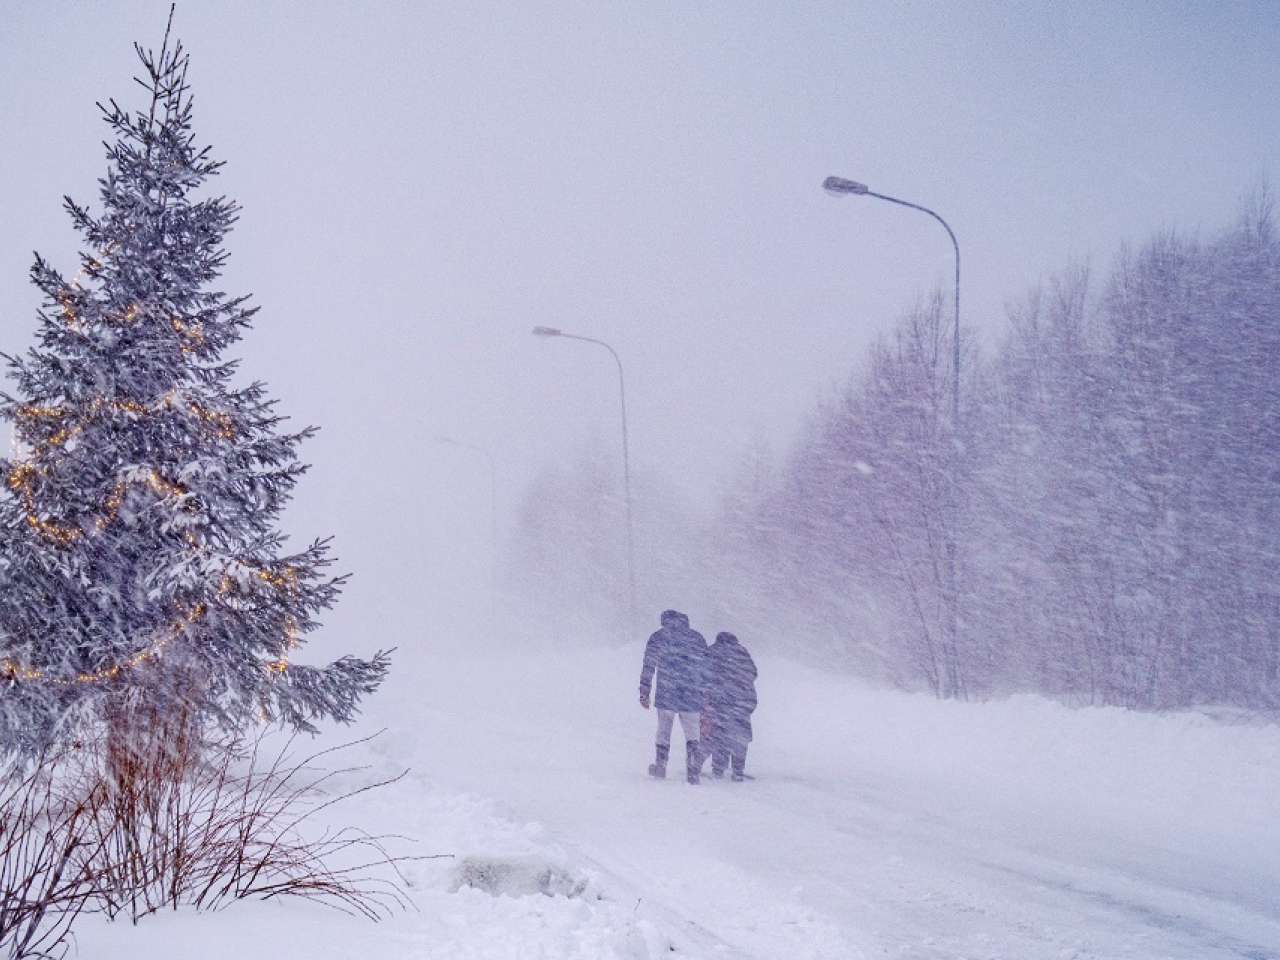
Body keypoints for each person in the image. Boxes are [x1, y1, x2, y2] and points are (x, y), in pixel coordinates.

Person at [638, 610, 708, 784]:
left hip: (667, 692)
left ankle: (661, 765)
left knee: (663, 731)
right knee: (693, 734)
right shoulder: (696, 638)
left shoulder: (658, 637)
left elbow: (649, 665)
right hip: (692, 693)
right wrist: (707, 693)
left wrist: (644, 691)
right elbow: (707, 667)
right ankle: (692, 768)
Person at [703, 631, 757, 782]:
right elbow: (753, 673)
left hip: (720, 701)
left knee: (720, 734)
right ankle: (738, 770)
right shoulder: (742, 652)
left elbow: (703, 675)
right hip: (743, 700)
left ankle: (718, 768)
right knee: (740, 736)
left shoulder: (712, 651)